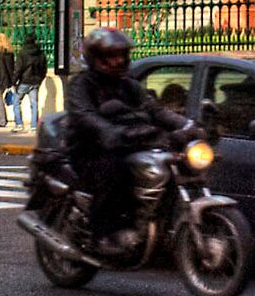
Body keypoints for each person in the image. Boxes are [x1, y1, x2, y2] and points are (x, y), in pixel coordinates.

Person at [62, 26, 186, 259]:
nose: (119, 60)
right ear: (97, 57)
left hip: (124, 144)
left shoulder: (128, 85)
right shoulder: (82, 84)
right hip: (88, 149)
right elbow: (85, 115)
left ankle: (143, 224)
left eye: (122, 54)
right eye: (112, 55)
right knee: (114, 170)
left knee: (156, 166)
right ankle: (102, 235)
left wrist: (186, 125)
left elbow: (155, 110)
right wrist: (109, 131)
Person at [10, 28, 47, 131]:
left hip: (24, 81)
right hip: (35, 81)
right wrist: (40, 80)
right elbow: (44, 69)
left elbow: (18, 69)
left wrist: (13, 82)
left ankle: (19, 124)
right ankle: (34, 126)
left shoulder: (22, 53)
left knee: (16, 102)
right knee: (34, 104)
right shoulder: (40, 53)